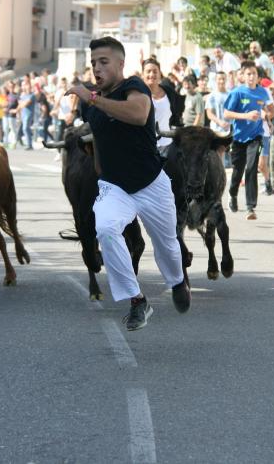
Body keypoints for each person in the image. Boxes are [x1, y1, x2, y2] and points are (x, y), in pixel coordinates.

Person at [64, 36, 189, 331]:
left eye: (104, 62)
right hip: (114, 187)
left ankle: (177, 281)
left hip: (151, 183)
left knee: (168, 246)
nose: (97, 67)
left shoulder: (134, 86)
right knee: (105, 229)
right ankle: (137, 301)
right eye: (94, 63)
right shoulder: (89, 103)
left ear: (120, 64)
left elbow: (137, 114)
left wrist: (92, 98)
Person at [223, 60, 274, 219]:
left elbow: (266, 109)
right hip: (238, 138)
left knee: (252, 167)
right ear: (243, 76)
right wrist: (245, 116)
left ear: (258, 77)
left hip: (256, 136)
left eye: (254, 74)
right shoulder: (237, 93)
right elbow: (226, 114)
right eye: (248, 74)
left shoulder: (263, 92)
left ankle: (250, 207)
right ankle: (232, 194)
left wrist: (268, 119)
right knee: (237, 171)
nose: (251, 76)